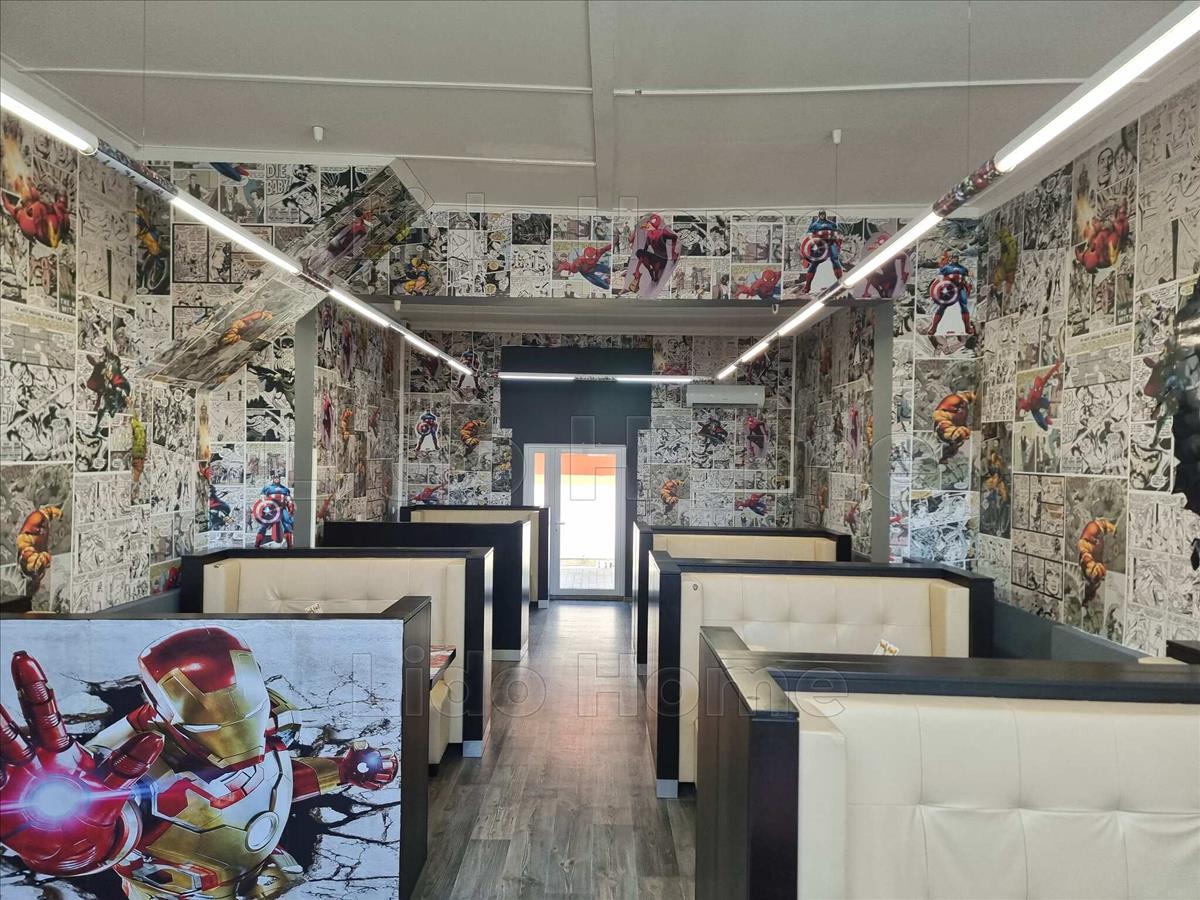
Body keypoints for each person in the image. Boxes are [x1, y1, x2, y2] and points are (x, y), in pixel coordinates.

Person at [0, 632, 396, 897]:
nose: (237, 736)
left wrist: (344, 770)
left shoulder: (270, 721)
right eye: (212, 722)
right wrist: (78, 841)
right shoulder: (137, 762)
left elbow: (277, 781)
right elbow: (107, 818)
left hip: (256, 873)